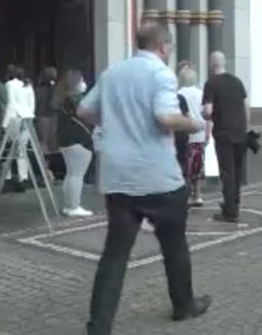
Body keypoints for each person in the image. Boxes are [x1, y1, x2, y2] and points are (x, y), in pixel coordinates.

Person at [79, 23, 211, 335]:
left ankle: (98, 327)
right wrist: (193, 124)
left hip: (119, 178)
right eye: (170, 48)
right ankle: (183, 305)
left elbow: (84, 110)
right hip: (158, 178)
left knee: (115, 254)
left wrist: (114, 122)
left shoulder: (113, 73)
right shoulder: (161, 74)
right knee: (174, 245)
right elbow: (165, 117)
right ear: (163, 46)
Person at [202, 51, 249, 223]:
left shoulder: (211, 83)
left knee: (227, 173)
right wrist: (245, 126)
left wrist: (205, 116)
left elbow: (208, 110)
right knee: (237, 173)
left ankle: (230, 211)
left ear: (211, 64)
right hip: (240, 132)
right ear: (224, 63)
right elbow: (245, 106)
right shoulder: (237, 82)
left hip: (224, 134)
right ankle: (234, 204)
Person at [53, 68, 94, 218]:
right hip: (79, 139)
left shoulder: (62, 98)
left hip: (65, 140)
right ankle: (74, 206)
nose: (84, 83)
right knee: (77, 175)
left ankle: (69, 205)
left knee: (71, 174)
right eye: (82, 80)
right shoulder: (76, 100)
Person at [179, 67, 210, 207]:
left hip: (185, 135)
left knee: (185, 167)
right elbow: (208, 115)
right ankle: (197, 195)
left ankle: (185, 195)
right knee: (198, 167)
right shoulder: (201, 94)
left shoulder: (179, 94)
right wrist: (207, 133)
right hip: (200, 134)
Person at [2, 65, 36, 193]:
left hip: (14, 118)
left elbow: (10, 103)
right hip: (27, 119)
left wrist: (4, 123)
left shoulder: (10, 85)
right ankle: (23, 178)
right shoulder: (28, 86)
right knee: (22, 150)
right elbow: (32, 105)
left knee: (8, 150)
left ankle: (8, 177)